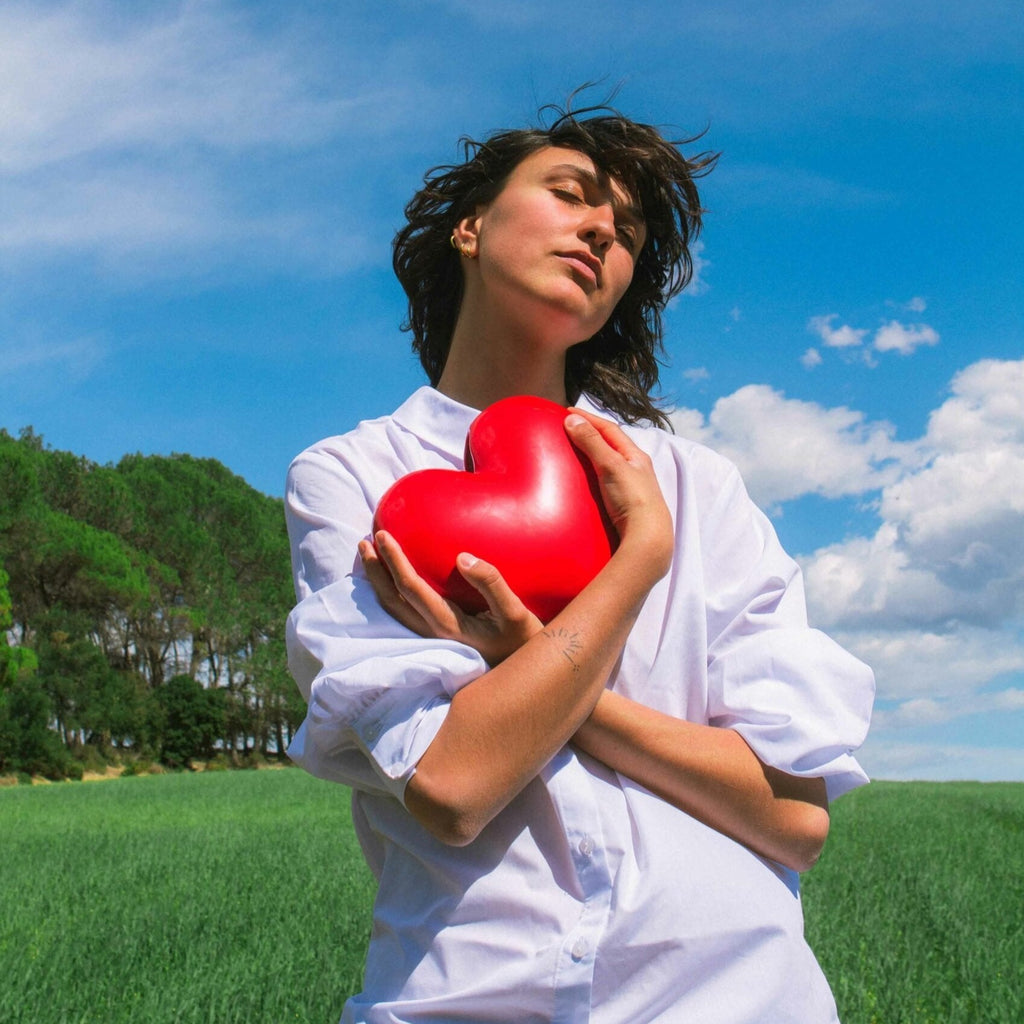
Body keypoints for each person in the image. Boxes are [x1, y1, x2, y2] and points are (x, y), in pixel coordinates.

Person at [284, 101, 875, 1024]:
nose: (601, 227)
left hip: (737, 997)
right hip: (470, 998)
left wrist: (528, 666)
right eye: (570, 195)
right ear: (470, 228)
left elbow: (796, 819)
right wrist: (637, 566)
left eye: (628, 232)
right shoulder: (354, 478)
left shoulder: (690, 487)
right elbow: (450, 786)